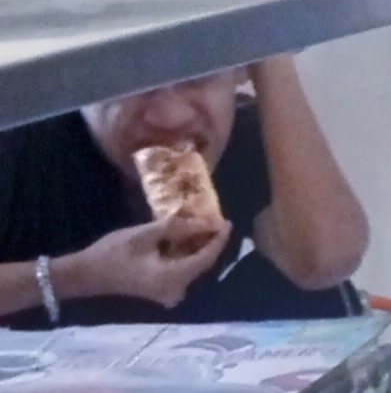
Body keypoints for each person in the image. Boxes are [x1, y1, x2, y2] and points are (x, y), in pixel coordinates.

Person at [0, 60, 364, 327]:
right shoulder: (20, 147)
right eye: (130, 79)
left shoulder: (247, 141)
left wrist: (270, 54)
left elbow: (325, 262)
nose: (170, 117)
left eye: (198, 73)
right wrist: (77, 276)